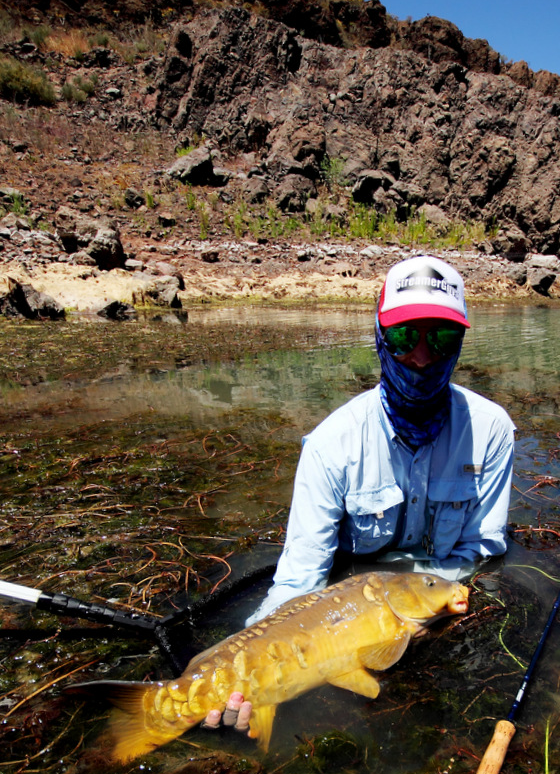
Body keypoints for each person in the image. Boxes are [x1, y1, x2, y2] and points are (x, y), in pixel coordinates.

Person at [205, 254, 516, 734]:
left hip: (435, 605)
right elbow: (298, 580)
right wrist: (242, 664)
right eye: (402, 335)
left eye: (441, 337)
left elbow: (483, 547)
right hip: (344, 613)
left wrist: (423, 607)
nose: (421, 355)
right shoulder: (330, 446)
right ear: (378, 335)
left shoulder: (493, 431)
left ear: (460, 343)